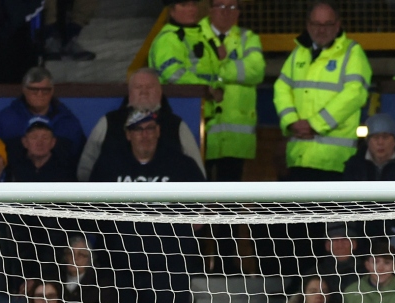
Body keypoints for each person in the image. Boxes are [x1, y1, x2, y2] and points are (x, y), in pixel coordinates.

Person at [151, 1, 263, 182]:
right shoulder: (169, 38)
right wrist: (207, 89)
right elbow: (173, 73)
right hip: (184, 118)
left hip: (202, 118)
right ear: (172, 11)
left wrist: (215, 85)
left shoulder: (198, 36)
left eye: (193, 5)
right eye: (184, 5)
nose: (192, 9)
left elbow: (213, 73)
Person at [273, 2, 372, 181]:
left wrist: (315, 124)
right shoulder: (298, 53)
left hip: (335, 162)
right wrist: (291, 122)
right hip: (298, 157)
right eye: (316, 24)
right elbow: (281, 87)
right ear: (308, 25)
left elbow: (355, 94)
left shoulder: (352, 52)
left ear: (337, 25)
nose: (321, 30)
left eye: (327, 24)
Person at [78, 68, 204, 181]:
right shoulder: (108, 122)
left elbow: (198, 176)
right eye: (138, 87)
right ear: (129, 93)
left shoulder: (176, 125)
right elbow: (85, 170)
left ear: (160, 92)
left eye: (150, 87)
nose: (144, 92)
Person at [0, 66, 84, 168]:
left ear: (52, 91)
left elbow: (80, 161)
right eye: (34, 90)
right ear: (24, 90)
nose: (40, 94)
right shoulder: (3, 120)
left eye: (45, 90)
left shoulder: (68, 121)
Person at [89, 108, 205, 183]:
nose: (145, 135)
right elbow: (92, 209)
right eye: (138, 129)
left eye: (150, 128)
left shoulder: (181, 165)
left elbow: (202, 204)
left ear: (158, 131)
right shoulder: (108, 165)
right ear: (128, 134)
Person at [342, 113, 395, 181]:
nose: (380, 142)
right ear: (367, 141)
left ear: (394, 141)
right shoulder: (355, 164)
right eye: (375, 137)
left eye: (385, 137)